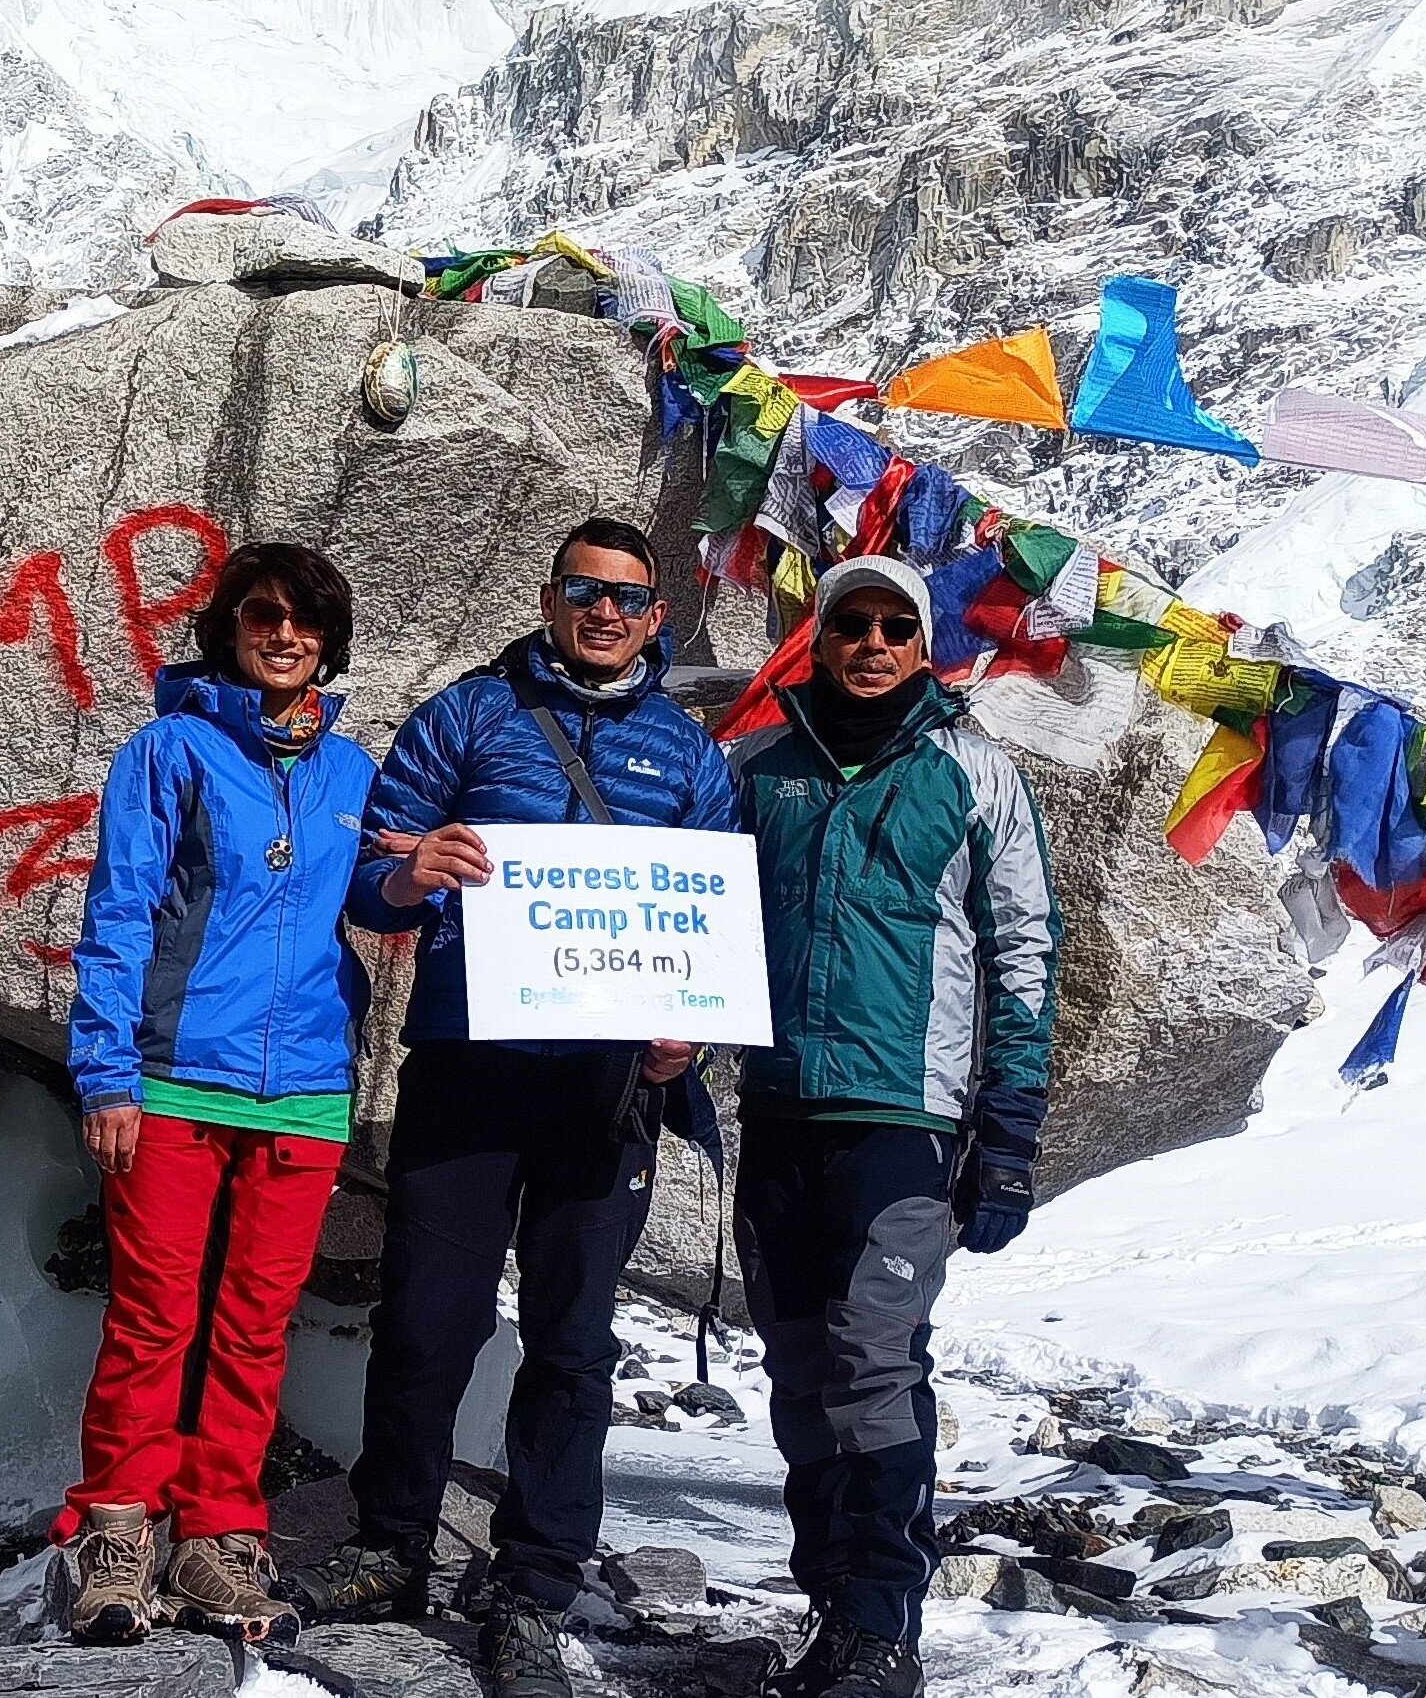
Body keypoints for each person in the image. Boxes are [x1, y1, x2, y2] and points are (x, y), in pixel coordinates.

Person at [302, 517, 739, 1698]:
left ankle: (535, 1574)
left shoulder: (687, 752)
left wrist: (683, 1033)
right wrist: (404, 875)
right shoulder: (467, 714)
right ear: (549, 600)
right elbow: (365, 874)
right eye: (583, 590)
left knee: (574, 1339)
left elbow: (717, 923)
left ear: (656, 617)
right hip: (467, 1061)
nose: (604, 612)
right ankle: (387, 1544)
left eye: (628, 598)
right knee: (426, 1318)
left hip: (607, 1087)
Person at [728, 556, 1060, 1698]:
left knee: (873, 1360)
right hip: (775, 1105)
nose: (872, 642)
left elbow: (1024, 954)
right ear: (818, 640)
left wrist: (1007, 1130)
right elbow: (689, 918)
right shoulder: (756, 766)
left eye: (894, 625)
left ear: (923, 645)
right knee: (796, 1363)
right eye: (851, 623)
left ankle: (882, 1622)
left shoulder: (975, 773)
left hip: (904, 1117)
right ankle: (829, 1600)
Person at [59, 542, 380, 1644]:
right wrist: (105, 1070)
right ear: (229, 627)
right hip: (176, 1080)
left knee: (252, 1327)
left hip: (304, 1089)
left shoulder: (351, 771)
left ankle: (220, 1537)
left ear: (328, 639)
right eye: (261, 613)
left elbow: (381, 893)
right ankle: (114, 1530)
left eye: (303, 619)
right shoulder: (170, 748)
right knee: (154, 1317)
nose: (282, 633)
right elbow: (118, 913)